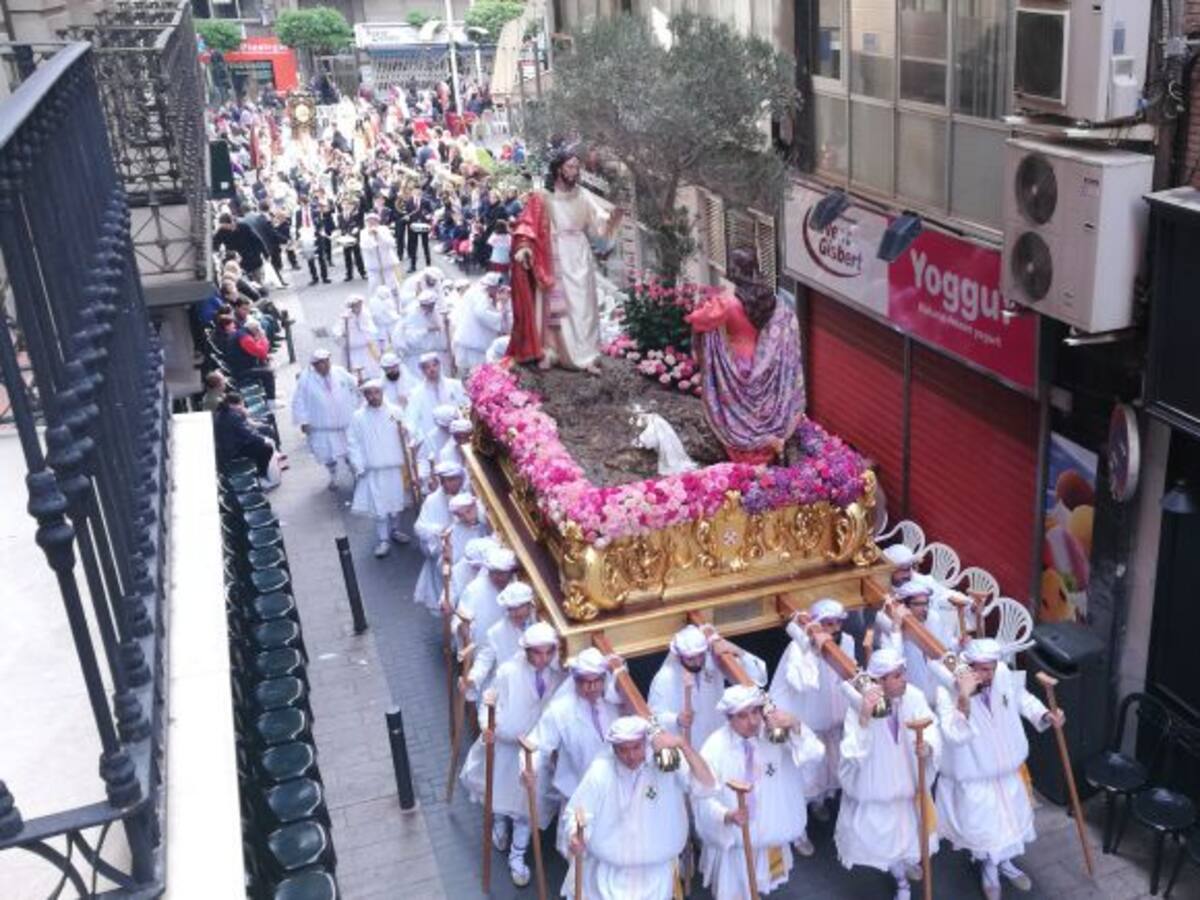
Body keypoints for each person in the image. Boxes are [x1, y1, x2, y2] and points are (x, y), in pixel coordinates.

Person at [935, 638, 1061, 900]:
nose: (986, 675)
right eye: (979, 669)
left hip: (1007, 769)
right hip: (975, 776)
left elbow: (1020, 697)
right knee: (987, 830)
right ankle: (990, 872)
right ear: (966, 666)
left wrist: (1044, 715)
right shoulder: (946, 689)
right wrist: (964, 698)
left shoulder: (1002, 674)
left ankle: (1004, 864)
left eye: (990, 668)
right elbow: (952, 735)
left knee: (1010, 824)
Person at [562, 715, 715, 900]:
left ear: (646, 743)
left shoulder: (667, 763)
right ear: (613, 748)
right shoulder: (600, 772)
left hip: (656, 877)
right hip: (608, 878)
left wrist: (682, 744)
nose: (631, 756)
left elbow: (707, 786)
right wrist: (576, 836)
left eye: (636, 747)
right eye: (623, 750)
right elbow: (578, 814)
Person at [459, 621, 564, 888]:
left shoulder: (558, 675)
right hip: (506, 749)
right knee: (501, 798)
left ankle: (517, 857)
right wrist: (487, 727)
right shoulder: (507, 671)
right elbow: (488, 702)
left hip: (533, 755)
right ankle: (499, 826)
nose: (542, 659)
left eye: (547, 653)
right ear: (527, 651)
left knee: (526, 809)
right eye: (537, 653)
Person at [696, 685, 825, 898]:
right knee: (735, 889)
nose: (753, 721)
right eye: (743, 716)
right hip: (736, 835)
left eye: (755, 712)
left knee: (762, 885)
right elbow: (702, 793)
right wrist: (726, 815)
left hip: (768, 828)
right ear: (729, 718)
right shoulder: (714, 747)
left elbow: (814, 754)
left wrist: (796, 725)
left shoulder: (775, 735)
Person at [835, 647, 941, 900]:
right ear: (879, 682)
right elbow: (851, 753)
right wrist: (864, 719)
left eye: (902, 672)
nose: (904, 678)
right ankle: (901, 881)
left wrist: (927, 746)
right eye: (896, 676)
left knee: (913, 838)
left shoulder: (913, 696)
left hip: (909, 786)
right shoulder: (858, 708)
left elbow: (930, 725)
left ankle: (906, 866)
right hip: (878, 787)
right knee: (886, 846)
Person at [685, 249, 805, 464]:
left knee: (742, 415)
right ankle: (768, 452)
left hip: (737, 364)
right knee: (761, 411)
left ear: (733, 271)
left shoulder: (727, 304)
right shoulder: (773, 302)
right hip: (765, 364)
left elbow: (697, 321)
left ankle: (746, 462)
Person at [509, 145, 623, 373]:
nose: (575, 171)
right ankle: (552, 350)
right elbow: (526, 225)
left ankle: (586, 355)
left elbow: (599, 219)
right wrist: (524, 248)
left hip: (579, 254)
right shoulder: (542, 197)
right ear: (558, 169)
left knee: (583, 306)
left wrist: (610, 217)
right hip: (552, 254)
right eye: (570, 167)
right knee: (554, 307)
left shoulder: (581, 194)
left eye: (576, 167)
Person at [768, 598, 856, 826]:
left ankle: (820, 804)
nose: (835, 629)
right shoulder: (798, 648)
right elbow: (802, 683)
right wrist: (812, 651)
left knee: (829, 774)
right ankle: (798, 830)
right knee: (804, 780)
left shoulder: (846, 641)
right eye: (828, 624)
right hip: (806, 726)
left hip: (833, 724)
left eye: (838, 623)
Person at [525, 647, 623, 824]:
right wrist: (528, 767)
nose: (591, 688)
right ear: (575, 681)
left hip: (616, 790)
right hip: (578, 791)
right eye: (585, 682)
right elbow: (536, 745)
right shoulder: (560, 710)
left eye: (596, 681)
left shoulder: (616, 703)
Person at [648, 624, 768, 749]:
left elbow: (758, 677)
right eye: (691, 659)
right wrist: (677, 719)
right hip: (689, 745)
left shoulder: (713, 662)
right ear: (679, 656)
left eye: (700, 655)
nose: (697, 662)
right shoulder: (665, 677)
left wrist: (737, 650)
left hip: (720, 742)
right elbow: (654, 719)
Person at [347, 379, 411, 558]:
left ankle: (396, 530)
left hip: (393, 468)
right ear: (365, 395)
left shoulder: (393, 412)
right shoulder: (359, 417)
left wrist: (405, 431)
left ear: (382, 393)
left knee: (396, 502)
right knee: (379, 507)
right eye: (369, 393)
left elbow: (402, 426)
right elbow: (353, 443)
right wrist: (358, 466)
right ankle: (383, 539)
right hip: (373, 470)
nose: (373, 397)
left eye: (376, 392)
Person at [874, 581, 956, 704]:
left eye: (927, 603)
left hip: (937, 689)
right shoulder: (887, 623)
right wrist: (896, 626)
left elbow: (944, 645)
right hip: (910, 693)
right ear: (904, 605)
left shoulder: (932, 617)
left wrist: (960, 644)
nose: (925, 609)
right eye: (919, 604)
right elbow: (893, 660)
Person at [290, 349, 359, 490]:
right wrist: (303, 421)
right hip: (322, 426)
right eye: (321, 363)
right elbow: (299, 401)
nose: (325, 365)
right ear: (314, 365)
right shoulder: (306, 379)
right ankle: (333, 477)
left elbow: (355, 385)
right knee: (328, 455)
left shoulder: (339, 372)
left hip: (345, 422)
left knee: (350, 451)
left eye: (327, 361)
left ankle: (356, 475)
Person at [463, 580, 537, 700]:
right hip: (507, 690)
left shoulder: (541, 626)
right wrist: (472, 678)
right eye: (511, 609)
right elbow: (484, 660)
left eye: (520, 607)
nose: (516, 613)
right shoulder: (496, 632)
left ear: (530, 605)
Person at [412, 461, 467, 612]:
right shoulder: (432, 500)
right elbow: (419, 527)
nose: (448, 484)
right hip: (441, 557)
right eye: (445, 481)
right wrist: (439, 531)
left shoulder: (468, 498)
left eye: (452, 480)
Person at [213, 391, 280, 489]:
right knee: (267, 448)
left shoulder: (223, 412)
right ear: (233, 404)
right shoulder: (233, 416)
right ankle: (261, 476)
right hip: (233, 450)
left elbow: (245, 431)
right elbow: (248, 433)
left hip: (230, 444)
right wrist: (263, 439)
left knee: (260, 441)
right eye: (240, 404)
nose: (242, 406)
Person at [454, 544, 517, 644]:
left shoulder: (517, 590)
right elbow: (462, 616)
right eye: (493, 573)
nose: (497, 577)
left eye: (502, 573)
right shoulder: (475, 588)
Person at [453, 273, 510, 373]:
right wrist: (500, 320)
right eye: (497, 289)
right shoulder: (480, 294)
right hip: (474, 345)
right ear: (492, 286)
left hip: (469, 343)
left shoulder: (474, 291)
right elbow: (482, 314)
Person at [405, 354, 465, 448]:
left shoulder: (455, 385)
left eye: (434, 365)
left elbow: (465, 407)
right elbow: (411, 420)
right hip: (432, 441)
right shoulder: (416, 393)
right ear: (422, 371)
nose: (432, 369)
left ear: (439, 365)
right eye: (427, 367)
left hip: (457, 437)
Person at [395, 290, 452, 378]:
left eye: (432, 305)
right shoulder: (412, 315)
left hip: (435, 354)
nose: (430, 309)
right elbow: (410, 338)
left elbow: (442, 335)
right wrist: (427, 330)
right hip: (417, 357)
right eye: (428, 306)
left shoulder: (435, 313)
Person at [334, 295, 380, 381]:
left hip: (365, 351)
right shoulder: (345, 318)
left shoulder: (365, 315)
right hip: (351, 352)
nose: (359, 308)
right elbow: (337, 332)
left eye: (360, 305)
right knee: (352, 376)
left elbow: (371, 329)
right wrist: (342, 333)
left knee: (368, 374)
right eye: (356, 306)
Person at [213, 211, 268, 281]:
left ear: (231, 223)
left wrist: (266, 253)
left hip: (253, 257)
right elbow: (215, 243)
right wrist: (217, 252)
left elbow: (257, 240)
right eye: (222, 226)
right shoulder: (222, 231)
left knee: (258, 280)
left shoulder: (244, 227)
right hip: (238, 260)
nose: (224, 228)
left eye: (225, 226)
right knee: (246, 283)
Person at [360, 210, 403, 297]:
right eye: (369, 221)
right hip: (373, 267)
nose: (371, 223)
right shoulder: (363, 232)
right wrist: (371, 237)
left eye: (374, 221)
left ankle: (396, 305)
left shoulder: (384, 229)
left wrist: (379, 235)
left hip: (387, 265)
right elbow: (365, 246)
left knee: (393, 287)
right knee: (374, 288)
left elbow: (391, 243)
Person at [402, 185, 434, 271]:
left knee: (425, 245)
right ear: (412, 192)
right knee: (413, 245)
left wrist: (428, 216)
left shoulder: (426, 201)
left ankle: (428, 264)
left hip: (423, 225)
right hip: (412, 225)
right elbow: (406, 213)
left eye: (418, 191)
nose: (417, 193)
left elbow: (431, 212)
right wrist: (407, 218)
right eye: (415, 191)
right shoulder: (408, 201)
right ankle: (413, 265)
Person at [335, 197, 366, 281]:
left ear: (351, 205)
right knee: (347, 256)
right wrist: (339, 233)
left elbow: (361, 224)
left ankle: (362, 272)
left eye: (347, 204)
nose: (345, 206)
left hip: (354, 237)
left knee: (357, 256)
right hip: (345, 238)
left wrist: (357, 229)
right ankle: (349, 274)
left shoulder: (356, 214)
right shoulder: (340, 215)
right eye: (343, 204)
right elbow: (340, 226)